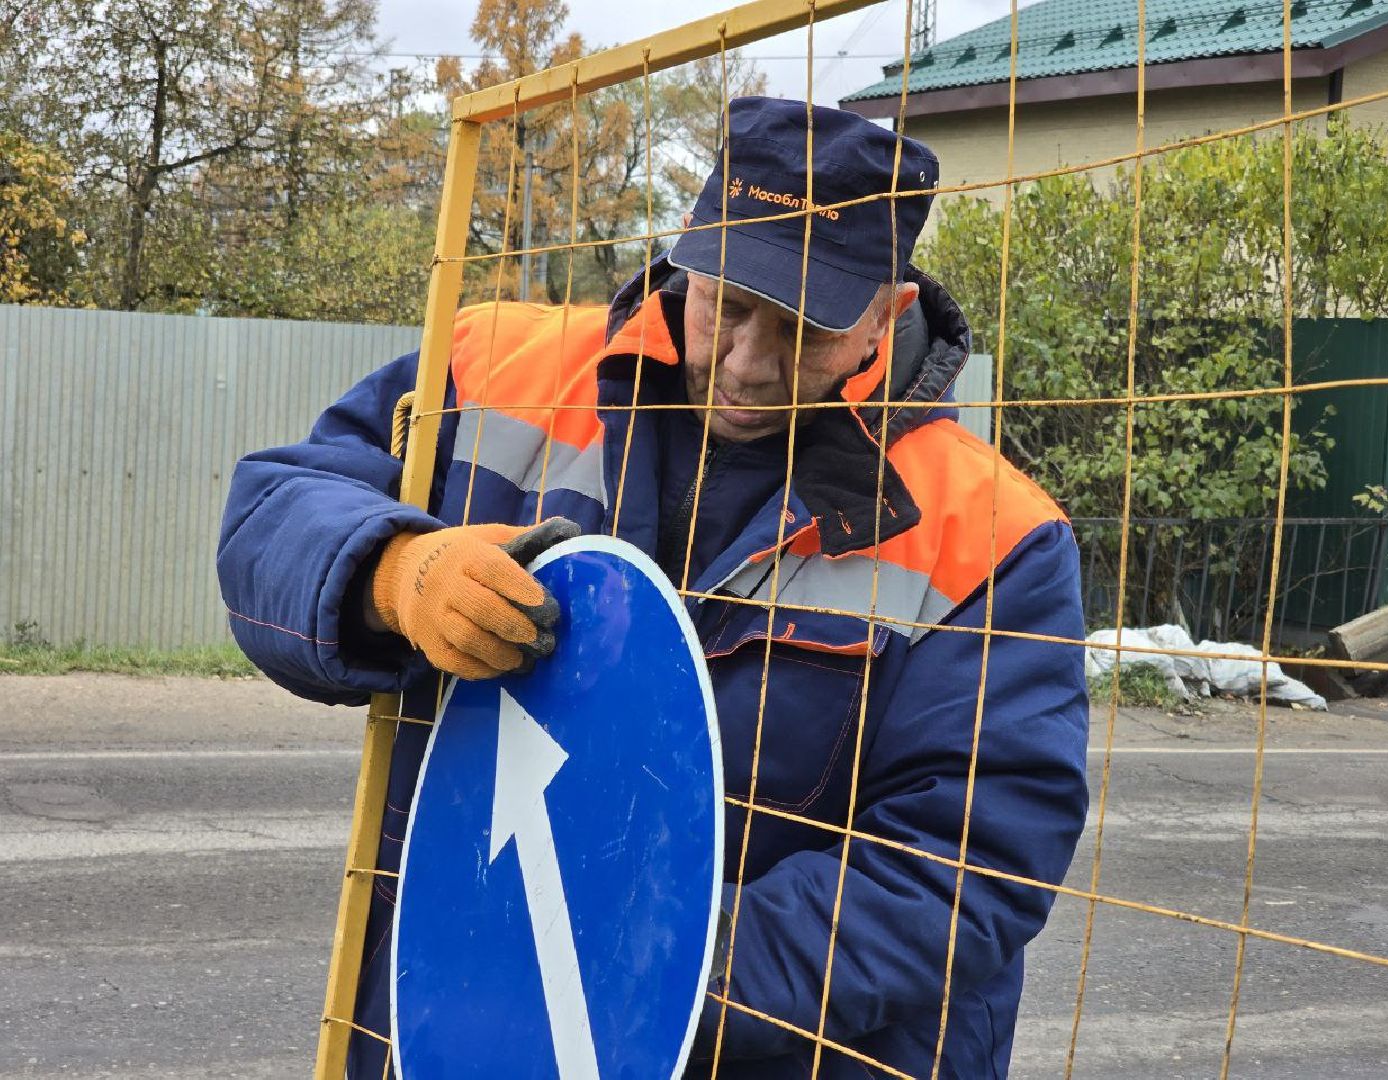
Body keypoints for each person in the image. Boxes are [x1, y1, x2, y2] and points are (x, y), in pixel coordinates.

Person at [218, 97, 1089, 1079]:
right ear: (689, 252)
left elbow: (965, 863)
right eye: (728, 303)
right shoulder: (497, 367)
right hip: (459, 1029)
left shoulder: (994, 538)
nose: (747, 365)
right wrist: (393, 569)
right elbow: (271, 510)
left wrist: (648, 971)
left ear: (887, 314)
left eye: (802, 329)